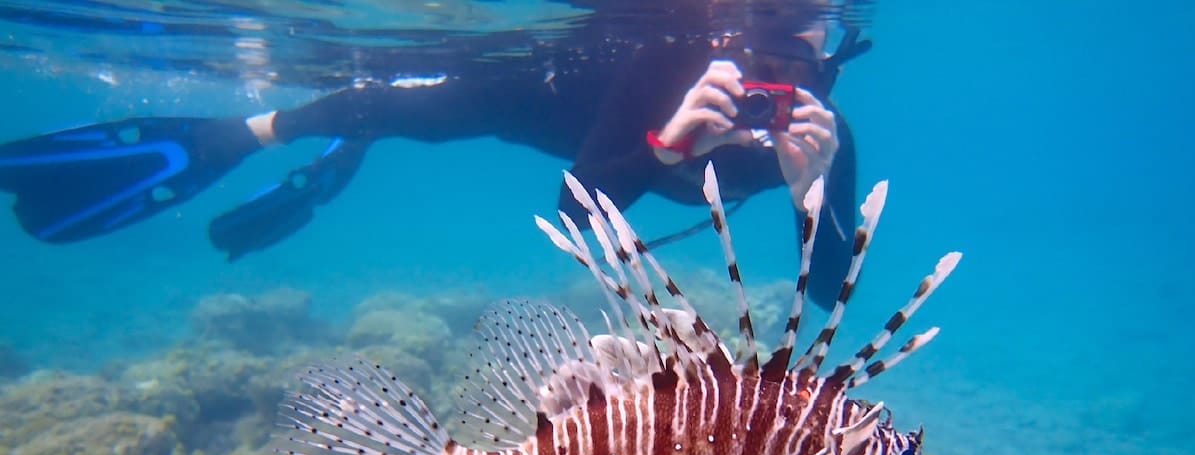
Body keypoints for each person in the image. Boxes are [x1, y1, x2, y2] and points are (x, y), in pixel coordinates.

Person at [0, 8, 869, 309]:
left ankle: (337, 145)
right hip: (546, 97)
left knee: (413, 109)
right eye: (762, 62)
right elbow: (574, 210)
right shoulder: (668, 62)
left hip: (630, 154)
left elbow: (829, 290)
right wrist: (669, 145)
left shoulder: (826, 137)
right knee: (416, 104)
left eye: (805, 68)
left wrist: (805, 199)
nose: (775, 89)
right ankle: (248, 134)